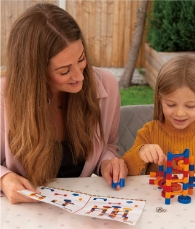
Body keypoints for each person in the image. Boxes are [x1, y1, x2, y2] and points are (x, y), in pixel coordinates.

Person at [0, 3, 128, 204]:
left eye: (81, 59)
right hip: (25, 212)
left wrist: (106, 162)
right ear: (35, 73)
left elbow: (109, 144)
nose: (80, 76)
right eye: (64, 71)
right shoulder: (3, 97)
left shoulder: (107, 85)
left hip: (83, 210)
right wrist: (4, 179)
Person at [122, 55, 195, 189]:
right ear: (160, 99)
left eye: (190, 106)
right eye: (171, 104)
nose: (179, 113)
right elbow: (123, 171)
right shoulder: (149, 132)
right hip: (158, 207)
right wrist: (139, 154)